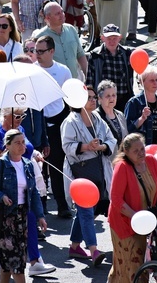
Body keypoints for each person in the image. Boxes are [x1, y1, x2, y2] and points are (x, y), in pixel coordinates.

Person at [0, 129, 49, 283]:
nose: (21, 145)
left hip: (22, 218)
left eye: (23, 142)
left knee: (6, 264)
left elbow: (34, 194)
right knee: (16, 264)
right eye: (17, 143)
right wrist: (1, 196)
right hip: (4, 219)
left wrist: (40, 216)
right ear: (8, 145)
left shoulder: (27, 164)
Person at [61, 86, 116, 266]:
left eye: (93, 97)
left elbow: (111, 139)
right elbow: (66, 146)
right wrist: (86, 147)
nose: (93, 100)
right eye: (89, 98)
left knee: (89, 211)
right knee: (85, 209)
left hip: (99, 171)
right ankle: (93, 250)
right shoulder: (70, 122)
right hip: (81, 173)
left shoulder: (98, 118)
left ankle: (75, 246)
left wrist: (101, 147)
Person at [108, 133, 157, 282]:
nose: (141, 153)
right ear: (126, 152)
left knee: (143, 263)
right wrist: (137, 218)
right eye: (136, 151)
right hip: (125, 223)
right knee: (131, 265)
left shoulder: (151, 161)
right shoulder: (122, 167)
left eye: (142, 148)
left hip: (146, 223)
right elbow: (116, 199)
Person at [34, 36, 73, 217]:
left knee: (56, 162)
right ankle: (40, 206)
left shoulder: (63, 71)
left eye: (42, 51)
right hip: (38, 123)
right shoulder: (32, 72)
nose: (38, 55)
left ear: (51, 52)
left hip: (58, 120)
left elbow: (69, 97)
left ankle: (61, 204)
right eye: (36, 51)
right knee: (38, 165)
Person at [34, 1, 88, 79]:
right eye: (57, 14)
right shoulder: (40, 36)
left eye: (62, 12)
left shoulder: (71, 29)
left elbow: (80, 54)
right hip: (55, 83)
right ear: (48, 17)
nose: (62, 15)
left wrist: (88, 75)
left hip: (74, 81)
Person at [86, 25, 134, 111]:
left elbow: (130, 78)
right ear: (102, 38)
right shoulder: (95, 55)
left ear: (120, 38)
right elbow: (89, 81)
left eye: (114, 38)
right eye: (109, 38)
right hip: (104, 99)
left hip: (123, 97)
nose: (112, 41)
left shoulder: (127, 53)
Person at [124, 66, 157, 145]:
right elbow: (127, 129)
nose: (155, 83)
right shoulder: (134, 103)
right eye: (151, 80)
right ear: (142, 82)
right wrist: (142, 119)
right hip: (142, 148)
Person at [94, 79, 128, 144]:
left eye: (114, 95)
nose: (111, 98)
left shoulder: (120, 115)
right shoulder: (95, 117)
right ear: (100, 98)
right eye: (108, 96)